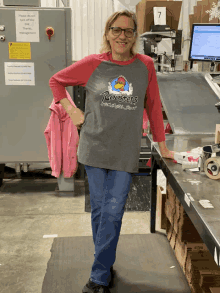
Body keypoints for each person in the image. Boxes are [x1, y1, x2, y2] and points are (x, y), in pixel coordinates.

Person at [49, 9, 175, 293]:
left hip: (125, 151)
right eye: (116, 30)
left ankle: (98, 277)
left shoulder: (145, 65)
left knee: (113, 212)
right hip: (94, 148)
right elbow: (56, 81)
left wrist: (162, 144)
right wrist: (71, 109)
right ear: (107, 33)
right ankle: (104, 263)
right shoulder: (93, 64)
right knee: (100, 212)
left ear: (134, 36)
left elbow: (153, 105)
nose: (122, 36)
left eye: (129, 31)